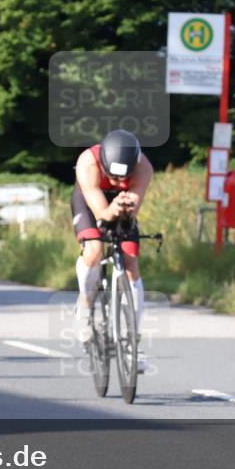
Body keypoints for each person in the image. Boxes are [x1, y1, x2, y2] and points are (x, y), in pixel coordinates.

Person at [71, 129, 154, 372]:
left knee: (131, 262)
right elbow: (103, 216)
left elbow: (130, 214)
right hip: (91, 200)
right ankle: (85, 307)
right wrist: (111, 209)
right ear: (104, 165)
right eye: (113, 177)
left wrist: (126, 209)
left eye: (123, 179)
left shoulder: (144, 168)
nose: (118, 184)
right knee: (94, 250)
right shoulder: (88, 163)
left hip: (122, 203)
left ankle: (132, 343)